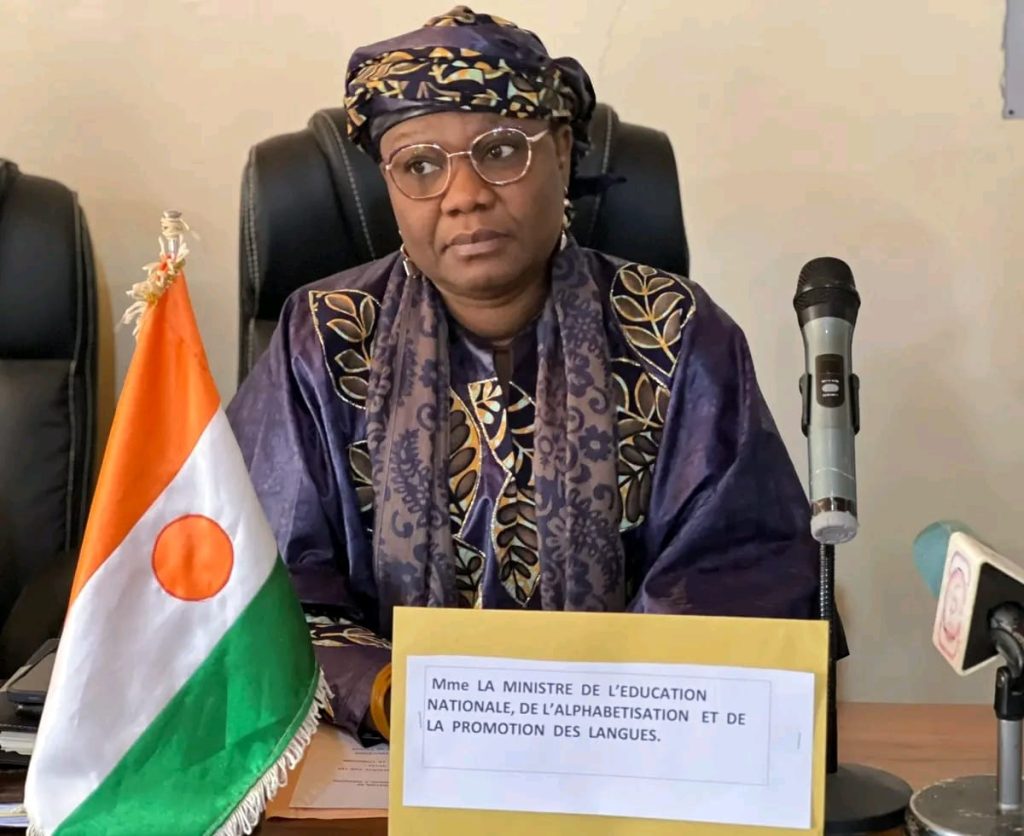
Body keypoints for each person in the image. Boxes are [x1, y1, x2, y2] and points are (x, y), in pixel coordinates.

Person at [226, 5, 821, 742]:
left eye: (501, 151)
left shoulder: (676, 332)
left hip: (633, 745)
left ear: (562, 153)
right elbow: (264, 587)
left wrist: (587, 715)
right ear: (389, 184)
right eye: (420, 166)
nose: (465, 195)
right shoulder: (323, 337)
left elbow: (742, 577)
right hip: (386, 747)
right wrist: (393, 697)